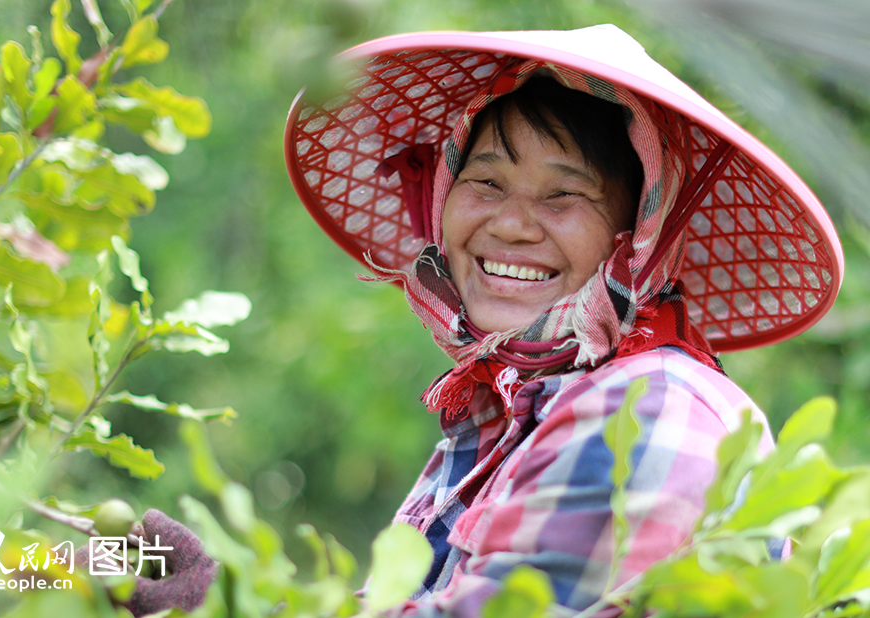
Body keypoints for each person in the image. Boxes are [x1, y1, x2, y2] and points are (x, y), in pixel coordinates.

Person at [91, 24, 843, 618]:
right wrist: (186, 584)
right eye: (484, 180)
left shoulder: (647, 412)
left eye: (564, 197)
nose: (511, 225)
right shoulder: (514, 409)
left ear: (636, 235)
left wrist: (217, 603)